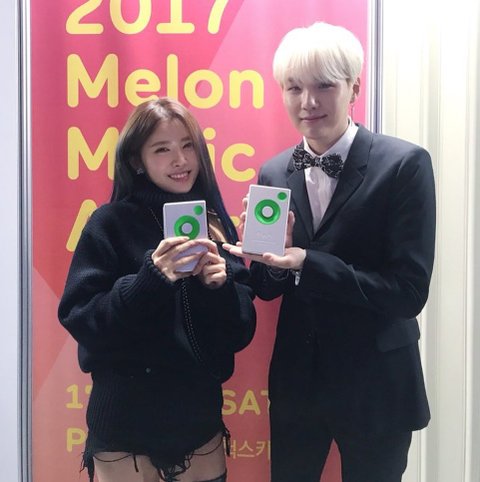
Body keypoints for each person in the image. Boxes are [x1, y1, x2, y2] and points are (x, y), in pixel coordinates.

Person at [223, 22, 436, 482]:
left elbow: (407, 292)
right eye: (294, 87)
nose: (308, 102)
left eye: (324, 85)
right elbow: (267, 288)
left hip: (377, 384)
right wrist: (268, 261)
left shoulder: (404, 165)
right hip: (298, 385)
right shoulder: (274, 171)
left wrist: (307, 261)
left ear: (354, 88)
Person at [58, 97, 256, 482]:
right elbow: (81, 318)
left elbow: (240, 333)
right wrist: (149, 279)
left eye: (187, 146)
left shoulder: (215, 223)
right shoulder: (109, 223)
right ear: (137, 161)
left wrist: (219, 289)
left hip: (196, 417)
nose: (180, 160)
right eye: (162, 149)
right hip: (124, 421)